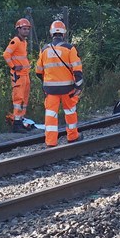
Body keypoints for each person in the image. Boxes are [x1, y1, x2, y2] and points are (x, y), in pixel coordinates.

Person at [35, 20, 83, 148]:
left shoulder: (44, 49)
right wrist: (78, 86)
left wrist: (47, 82)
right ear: (64, 34)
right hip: (68, 89)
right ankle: (72, 136)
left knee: (51, 114)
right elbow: (77, 69)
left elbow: (38, 71)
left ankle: (51, 141)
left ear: (51, 33)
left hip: (50, 90)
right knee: (70, 111)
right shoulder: (69, 48)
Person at [3, 18, 33, 134]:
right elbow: (6, 54)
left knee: (24, 99)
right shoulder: (15, 41)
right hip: (18, 75)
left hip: (25, 74)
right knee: (18, 99)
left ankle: (20, 121)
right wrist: (13, 66)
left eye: (27, 29)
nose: (26, 31)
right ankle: (16, 124)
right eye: (24, 29)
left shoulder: (24, 42)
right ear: (18, 29)